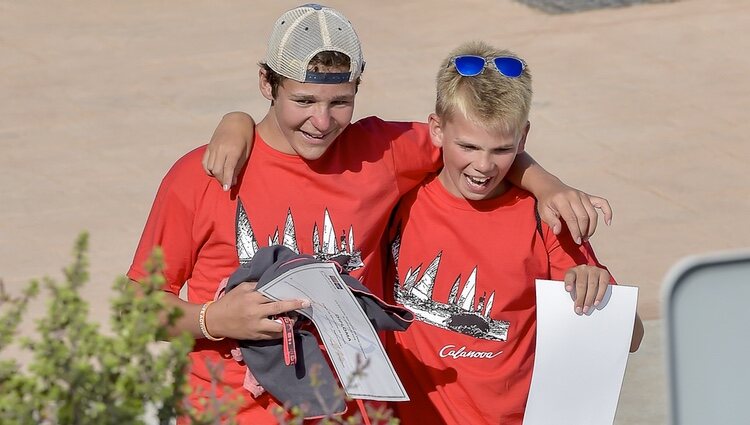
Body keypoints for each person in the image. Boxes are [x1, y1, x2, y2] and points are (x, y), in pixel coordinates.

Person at [129, 4, 614, 423]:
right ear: (266, 83)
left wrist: (546, 184)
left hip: (352, 412)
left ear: (358, 88)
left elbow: (477, 142)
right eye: (303, 100)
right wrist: (213, 318)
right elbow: (137, 307)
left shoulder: (381, 152)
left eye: (340, 102)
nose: (322, 122)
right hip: (228, 411)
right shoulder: (206, 173)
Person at [383, 41, 645, 425]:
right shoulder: (399, 200)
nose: (483, 166)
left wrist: (599, 286)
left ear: (523, 139)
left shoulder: (545, 220)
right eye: (468, 146)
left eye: (502, 150)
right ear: (436, 130)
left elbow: (632, 336)